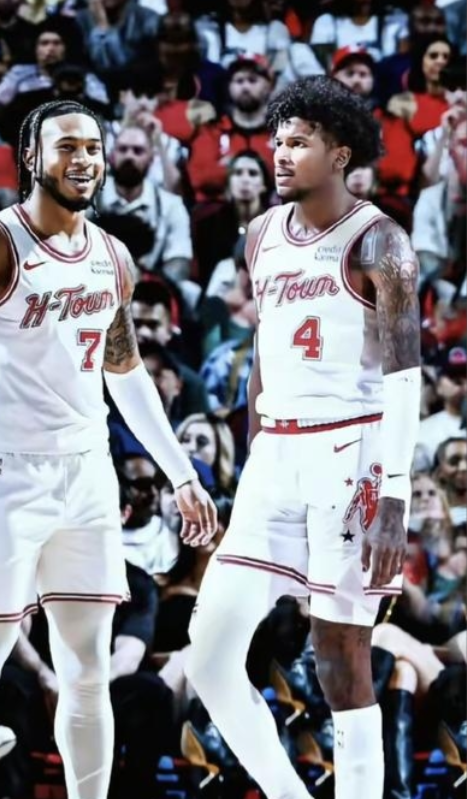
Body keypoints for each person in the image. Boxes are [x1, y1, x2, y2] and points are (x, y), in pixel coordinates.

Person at [0, 99, 217, 799]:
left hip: (87, 476)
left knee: (88, 672)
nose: (84, 159)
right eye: (67, 146)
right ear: (32, 159)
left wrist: (182, 474)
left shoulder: (112, 256)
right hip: (2, 477)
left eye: (93, 147)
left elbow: (125, 371)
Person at [186, 76, 421, 799]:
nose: (281, 154)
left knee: (339, 657)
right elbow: (265, 356)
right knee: (208, 654)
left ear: (340, 154)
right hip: (275, 455)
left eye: (299, 143)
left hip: (351, 454)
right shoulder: (260, 235)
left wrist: (394, 494)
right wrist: (255, 450)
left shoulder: (380, 240)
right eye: (278, 141)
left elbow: (404, 374)